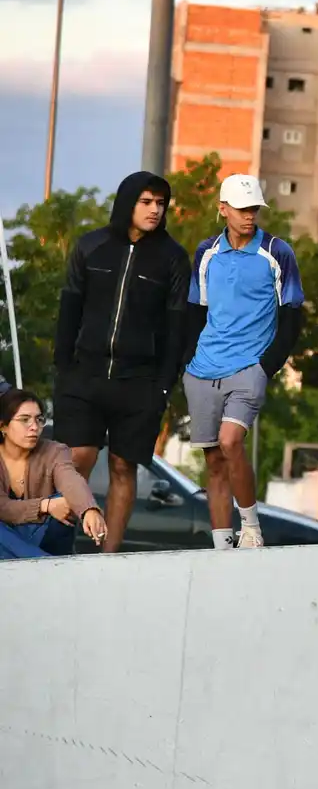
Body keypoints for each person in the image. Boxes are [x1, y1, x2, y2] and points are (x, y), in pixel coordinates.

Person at [52, 171, 190, 552]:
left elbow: (177, 327)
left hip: (140, 381)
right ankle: (56, 542)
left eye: (161, 204)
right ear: (128, 202)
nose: (155, 210)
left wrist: (164, 385)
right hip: (85, 374)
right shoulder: (91, 247)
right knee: (75, 458)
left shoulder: (174, 259)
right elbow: (69, 311)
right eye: (146, 202)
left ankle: (108, 556)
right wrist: (63, 369)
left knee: (122, 466)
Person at [182, 174, 305, 550]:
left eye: (254, 209)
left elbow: (293, 312)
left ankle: (251, 527)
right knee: (214, 462)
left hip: (249, 368)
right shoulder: (206, 252)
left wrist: (267, 365)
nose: (249, 216)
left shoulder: (277, 251)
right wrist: (187, 359)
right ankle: (222, 546)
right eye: (241, 209)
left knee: (230, 442)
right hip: (202, 369)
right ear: (223, 209)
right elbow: (194, 311)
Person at [0, 389, 107, 559]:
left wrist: (89, 509)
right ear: (3, 426)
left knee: (66, 500)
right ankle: (44, 563)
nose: (34, 427)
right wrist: (45, 505)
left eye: (39, 419)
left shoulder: (54, 451)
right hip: (4, 540)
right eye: (24, 420)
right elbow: (2, 508)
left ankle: (35, 561)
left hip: (42, 536)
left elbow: (70, 480)